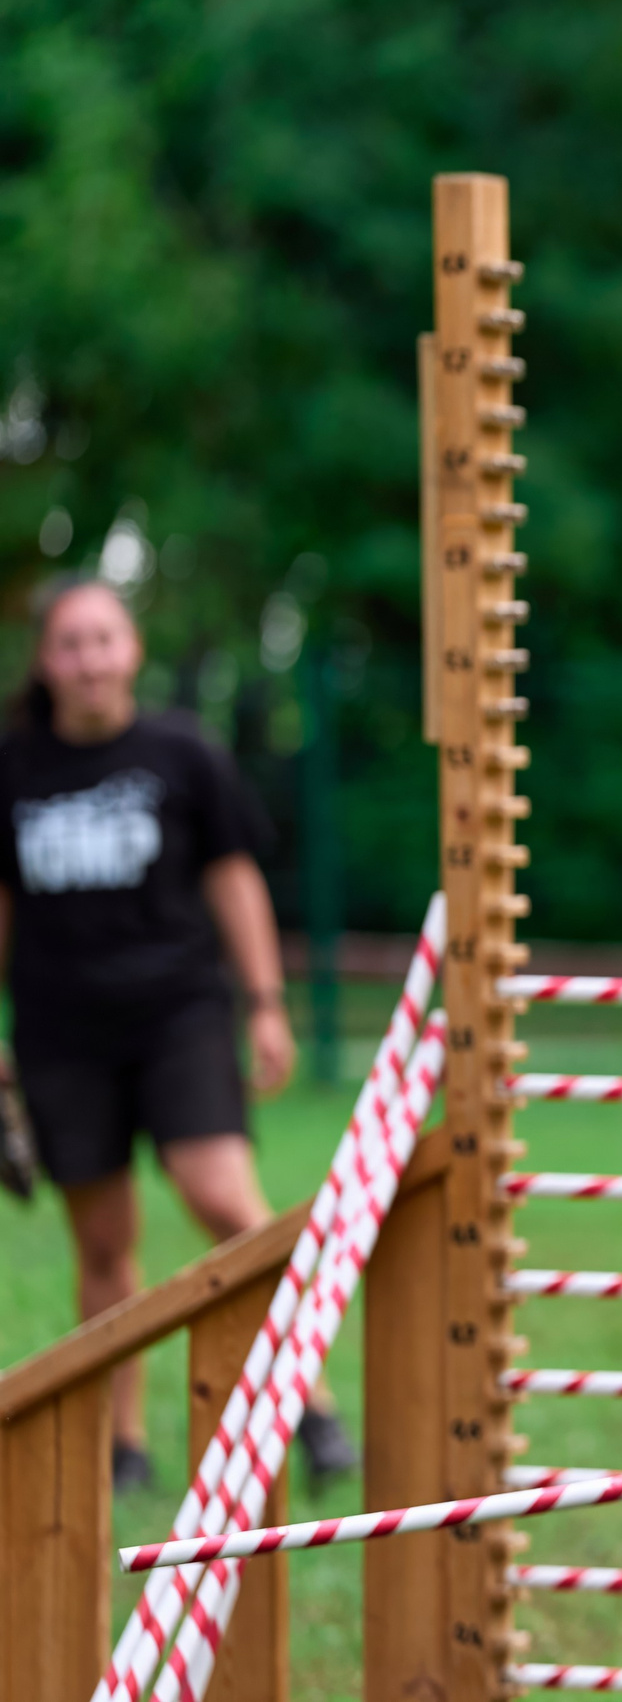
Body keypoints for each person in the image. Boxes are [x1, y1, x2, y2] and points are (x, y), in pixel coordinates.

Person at [0, 576, 356, 1492]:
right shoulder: (13, 767)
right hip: (61, 1030)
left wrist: (267, 1001)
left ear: (133, 651)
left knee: (226, 1203)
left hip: (180, 1013)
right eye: (70, 644)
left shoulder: (181, 752)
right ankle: (125, 1446)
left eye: (104, 640)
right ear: (46, 660)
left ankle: (309, 1406)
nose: (88, 659)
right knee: (105, 1244)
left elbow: (235, 879)